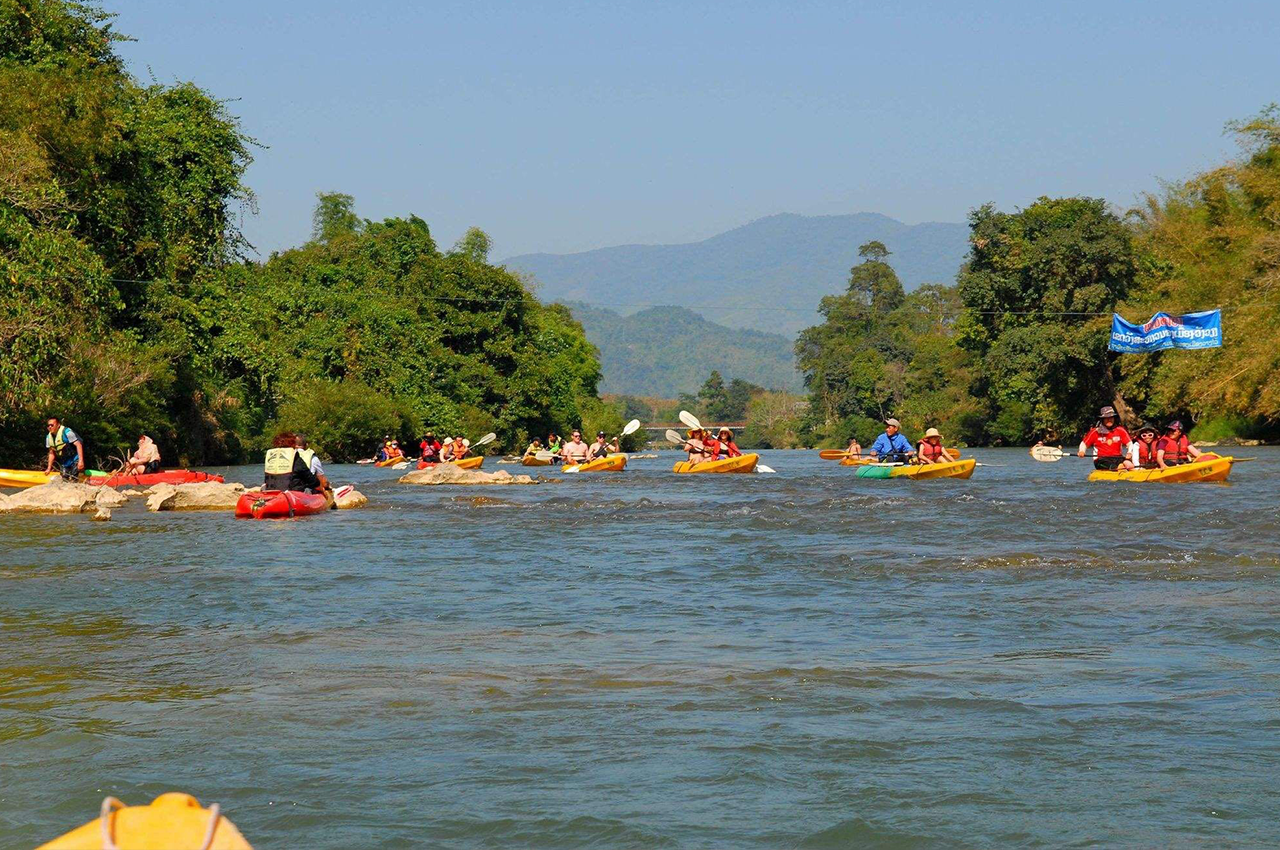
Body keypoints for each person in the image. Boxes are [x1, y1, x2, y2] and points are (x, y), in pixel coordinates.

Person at [1078, 405, 1133, 471]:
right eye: (1106, 418)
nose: (1109, 420)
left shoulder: (1120, 430)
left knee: (1130, 465)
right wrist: (1082, 451)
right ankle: (1120, 469)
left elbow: (1130, 444)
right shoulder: (1095, 432)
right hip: (1101, 460)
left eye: (1111, 417)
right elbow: (1084, 444)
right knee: (1117, 467)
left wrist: (1129, 452)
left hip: (1118, 458)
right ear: (1102, 419)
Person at [294, 432, 336, 508]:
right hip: (305, 493)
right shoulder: (313, 458)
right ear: (306, 445)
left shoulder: (288, 456)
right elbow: (323, 482)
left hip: (289, 489)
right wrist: (327, 488)